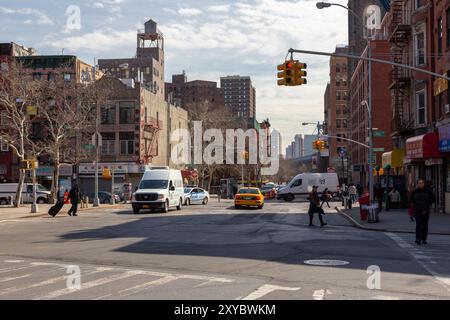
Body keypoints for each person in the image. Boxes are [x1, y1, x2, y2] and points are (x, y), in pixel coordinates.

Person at [410, 179, 435, 245]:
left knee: (425, 225)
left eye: (422, 183)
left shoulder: (428, 191)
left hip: (425, 211)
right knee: (418, 225)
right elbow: (411, 200)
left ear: (424, 184)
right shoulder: (415, 192)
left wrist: (427, 204)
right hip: (417, 211)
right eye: (419, 183)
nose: (421, 184)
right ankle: (417, 238)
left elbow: (433, 199)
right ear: (417, 184)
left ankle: (424, 239)